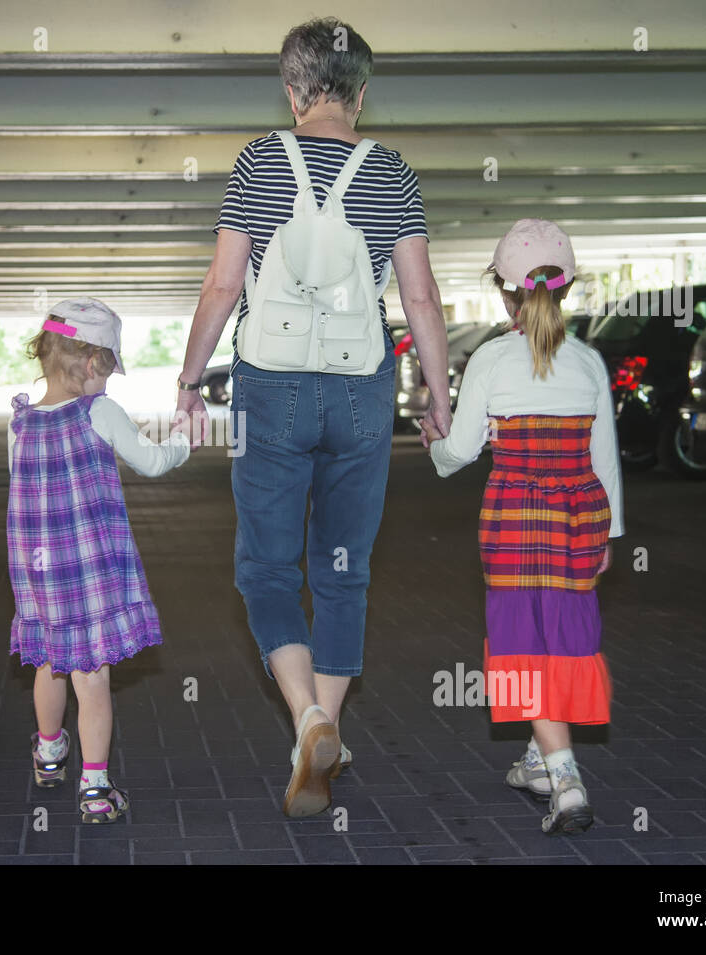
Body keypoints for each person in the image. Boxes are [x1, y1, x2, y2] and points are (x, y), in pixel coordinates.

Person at [174, 17, 452, 817]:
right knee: (343, 569)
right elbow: (421, 296)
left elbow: (222, 286)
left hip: (271, 387)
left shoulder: (259, 161)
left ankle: (308, 716)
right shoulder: (392, 170)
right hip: (363, 387)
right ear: (362, 94)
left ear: (292, 91)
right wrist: (438, 394)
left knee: (265, 569)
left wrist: (191, 379)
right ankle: (323, 724)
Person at [423, 219, 624, 834]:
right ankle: (540, 759)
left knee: (522, 640)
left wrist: (436, 442)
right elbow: (605, 458)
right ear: (566, 290)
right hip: (579, 515)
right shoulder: (589, 362)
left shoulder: (489, 359)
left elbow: (458, 452)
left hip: (514, 516)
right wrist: (610, 536)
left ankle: (565, 780)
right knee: (562, 634)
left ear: (503, 293)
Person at [7, 297, 191, 824]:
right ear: (92, 364)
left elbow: (21, 489)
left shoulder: (19, 422)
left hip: (37, 572)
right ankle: (94, 789)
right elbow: (152, 462)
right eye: (108, 370)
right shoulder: (98, 411)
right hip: (89, 569)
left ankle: (47, 752)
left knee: (48, 661)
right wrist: (183, 441)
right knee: (92, 678)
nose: (108, 382)